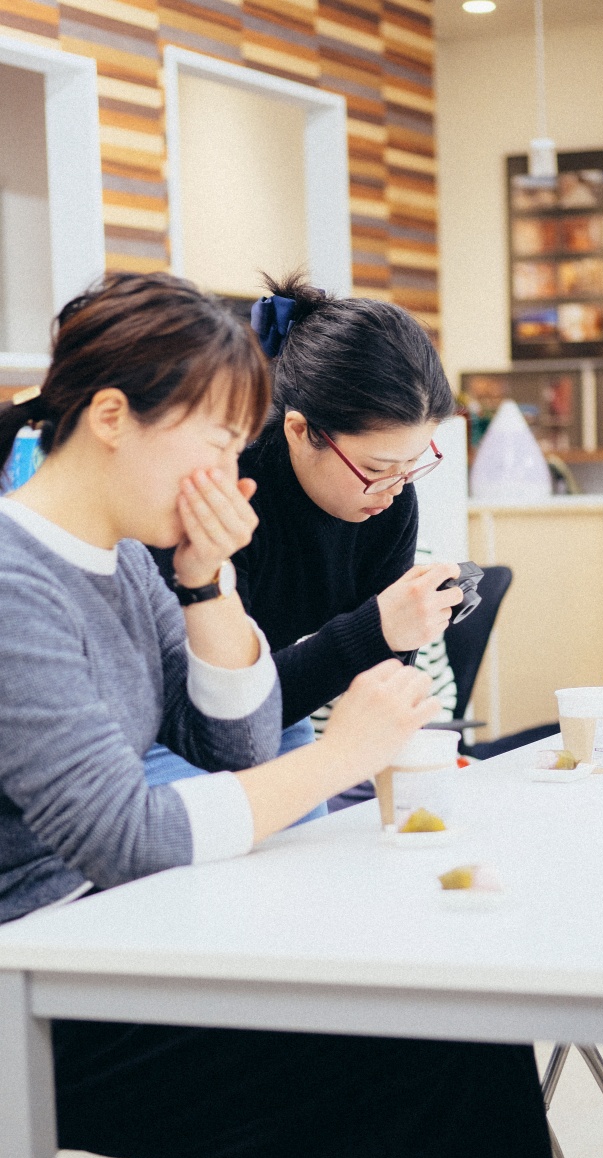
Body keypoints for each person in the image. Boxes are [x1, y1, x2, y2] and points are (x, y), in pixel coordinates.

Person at [0, 272, 558, 1158]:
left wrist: (208, 584)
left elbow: (237, 751)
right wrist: (343, 756)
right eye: (217, 443)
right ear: (110, 417)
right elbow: (128, 835)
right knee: (418, 1073)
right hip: (44, 984)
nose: (230, 474)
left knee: (459, 1029)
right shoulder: (19, 584)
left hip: (122, 935)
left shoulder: (127, 569)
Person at [148, 273, 465, 805]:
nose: (392, 490)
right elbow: (217, 720)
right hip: (168, 732)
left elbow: (376, 684)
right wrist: (377, 628)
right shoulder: (227, 492)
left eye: (413, 465)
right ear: (300, 431)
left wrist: (402, 635)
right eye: (376, 467)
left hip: (277, 720)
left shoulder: (388, 503)